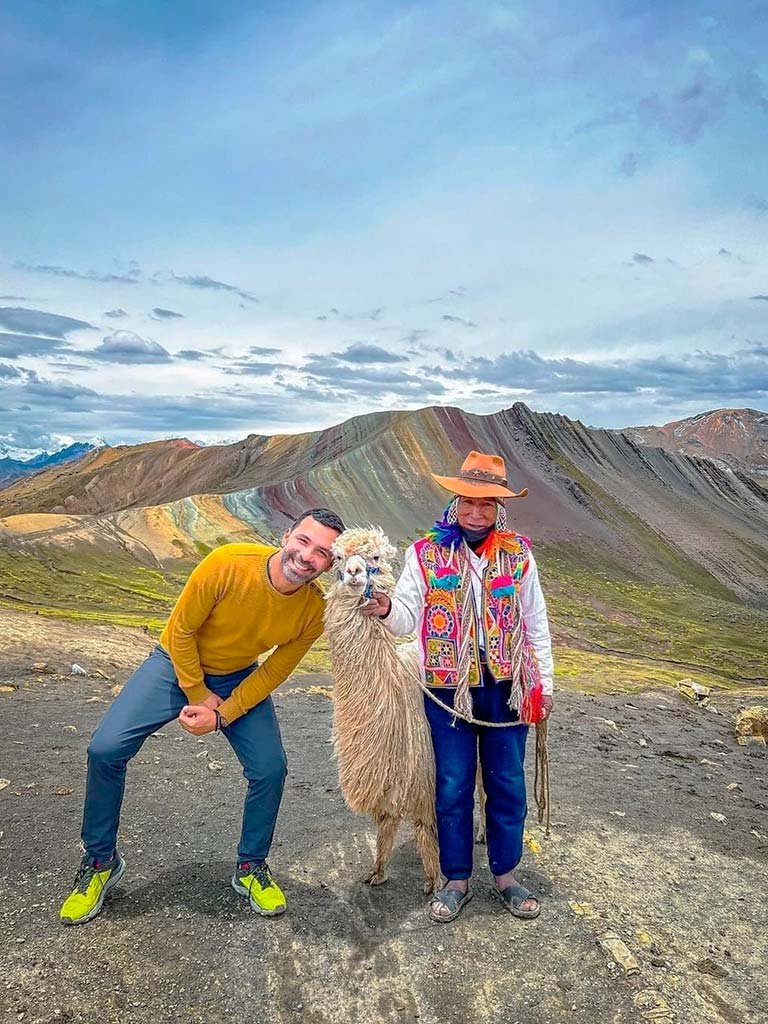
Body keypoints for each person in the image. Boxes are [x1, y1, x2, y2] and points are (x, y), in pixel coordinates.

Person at [59, 507, 344, 925]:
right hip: (173, 665)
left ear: (330, 564)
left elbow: (275, 670)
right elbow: (181, 630)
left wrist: (223, 713)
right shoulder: (227, 563)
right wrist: (198, 693)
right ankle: (100, 862)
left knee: (270, 768)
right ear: (286, 536)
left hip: (237, 677)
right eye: (304, 541)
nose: (307, 557)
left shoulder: (313, 610)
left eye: (322, 553)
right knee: (105, 749)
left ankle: (250, 867)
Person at [363, 451, 553, 923]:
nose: (475, 513)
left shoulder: (518, 554)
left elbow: (535, 621)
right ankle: (456, 878)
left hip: (507, 686)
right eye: (468, 502)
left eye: (486, 504)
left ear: (498, 508)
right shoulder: (424, 554)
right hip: (447, 688)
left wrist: (543, 684)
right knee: (451, 784)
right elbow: (409, 616)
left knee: (506, 782)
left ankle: (506, 875)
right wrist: (386, 609)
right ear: (455, 500)